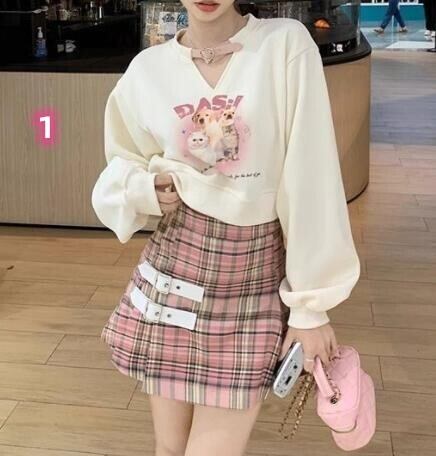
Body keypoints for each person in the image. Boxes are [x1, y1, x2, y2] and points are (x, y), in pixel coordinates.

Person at [91, 0, 361, 454]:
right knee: (169, 448)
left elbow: (311, 176)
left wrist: (311, 306)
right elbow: (121, 163)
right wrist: (146, 189)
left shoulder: (283, 45)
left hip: (250, 281)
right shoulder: (148, 70)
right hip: (172, 275)